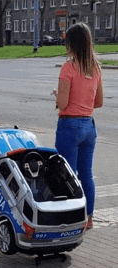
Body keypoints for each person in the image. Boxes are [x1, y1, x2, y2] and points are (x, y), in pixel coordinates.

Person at [53, 23, 103, 229]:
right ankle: (88, 218)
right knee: (86, 175)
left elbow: (63, 103)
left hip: (70, 125)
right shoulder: (95, 67)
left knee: (67, 174)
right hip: (88, 126)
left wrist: (57, 97)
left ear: (71, 44)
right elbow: (99, 102)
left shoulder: (69, 67)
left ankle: (70, 218)